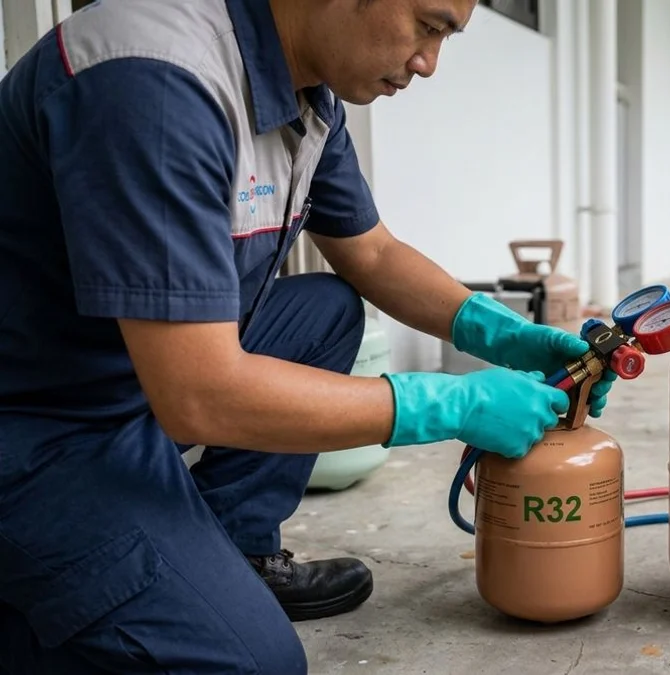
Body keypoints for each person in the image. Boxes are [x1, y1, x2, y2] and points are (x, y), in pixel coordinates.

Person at [0, 0, 616, 671]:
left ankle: (231, 553)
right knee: (255, 662)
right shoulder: (156, 84)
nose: (429, 63)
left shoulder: (306, 94)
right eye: (428, 25)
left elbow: (372, 253)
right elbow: (200, 395)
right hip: (40, 424)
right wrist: (447, 404)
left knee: (325, 309)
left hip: (125, 380)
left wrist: (505, 335)